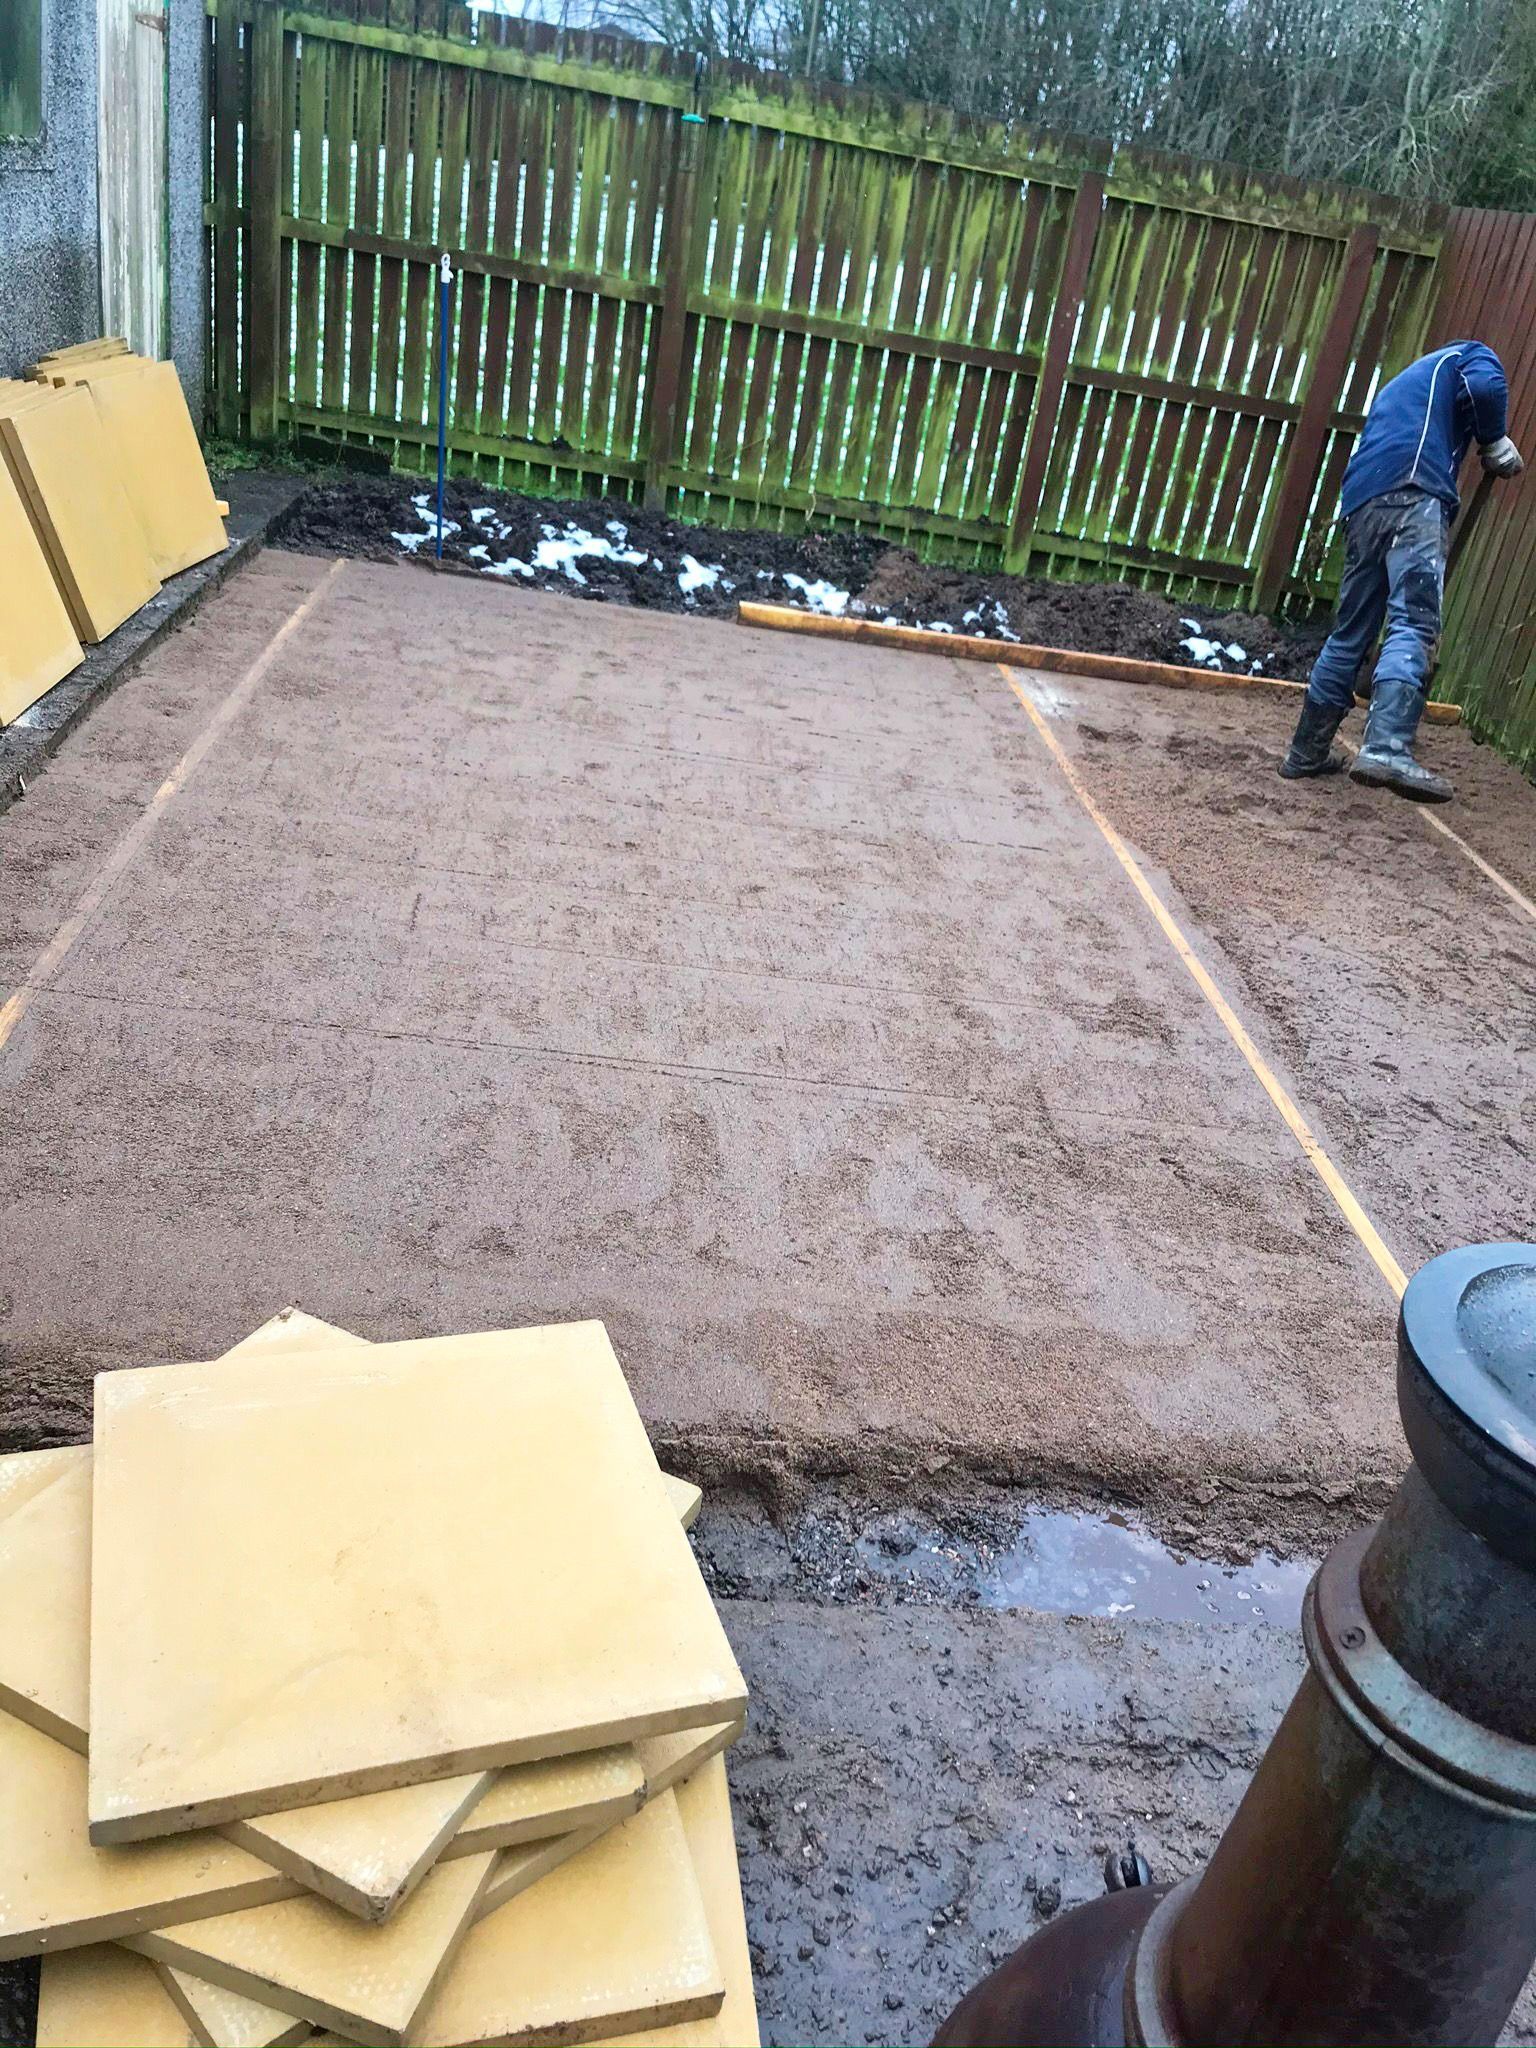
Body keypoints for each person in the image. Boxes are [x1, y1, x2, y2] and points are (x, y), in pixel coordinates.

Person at [1279, 340, 1522, 802]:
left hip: (1363, 505)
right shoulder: (1468, 356)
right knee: (1414, 620)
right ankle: (1388, 748)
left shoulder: (1402, 390)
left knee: (1351, 631)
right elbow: (1486, 386)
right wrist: (1493, 438)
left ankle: (1305, 752)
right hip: (1415, 494)